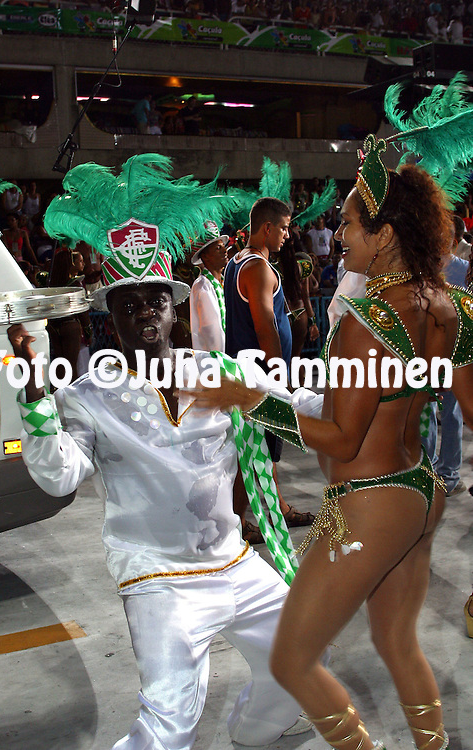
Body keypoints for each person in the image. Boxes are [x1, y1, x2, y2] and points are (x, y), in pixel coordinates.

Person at [188, 122, 473, 748]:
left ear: (386, 235)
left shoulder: (364, 322)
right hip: (423, 496)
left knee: (291, 663)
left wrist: (253, 401)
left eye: (347, 225)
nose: (336, 236)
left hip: (369, 503)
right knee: (397, 645)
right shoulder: (452, 306)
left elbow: (341, 441)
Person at [7, 241, 314, 750]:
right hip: (159, 577)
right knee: (171, 726)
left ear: (175, 309)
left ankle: (256, 730)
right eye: (129, 305)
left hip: (235, 562)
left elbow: (303, 404)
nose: (145, 312)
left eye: (155, 301)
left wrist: (387, 387)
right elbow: (58, 476)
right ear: (111, 317)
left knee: (305, 657)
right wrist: (35, 396)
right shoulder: (87, 395)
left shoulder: (219, 371)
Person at [224, 197, 315, 543]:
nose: (287, 235)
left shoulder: (237, 263)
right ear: (267, 228)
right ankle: (234, 524)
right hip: (261, 378)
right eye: (284, 227)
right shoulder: (257, 268)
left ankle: (277, 509)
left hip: (248, 373)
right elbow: (266, 328)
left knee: (261, 449)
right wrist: (281, 378)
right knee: (251, 453)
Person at [422, 238, 469, 496]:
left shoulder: (419, 267)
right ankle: (445, 474)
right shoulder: (462, 267)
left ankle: (436, 473)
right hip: (446, 351)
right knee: (447, 414)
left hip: (441, 351)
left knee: (435, 411)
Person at [46, 248, 93, 382]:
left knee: (61, 362)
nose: (83, 264)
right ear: (71, 263)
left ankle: (59, 389)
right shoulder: (76, 284)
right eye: (80, 261)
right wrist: (88, 330)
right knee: (71, 365)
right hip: (70, 325)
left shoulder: (52, 282)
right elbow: (82, 311)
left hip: (54, 326)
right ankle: (72, 394)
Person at [189, 221, 229, 352]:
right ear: (205, 256)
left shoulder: (222, 282)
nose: (225, 250)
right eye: (218, 248)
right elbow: (212, 334)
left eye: (223, 246)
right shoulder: (202, 286)